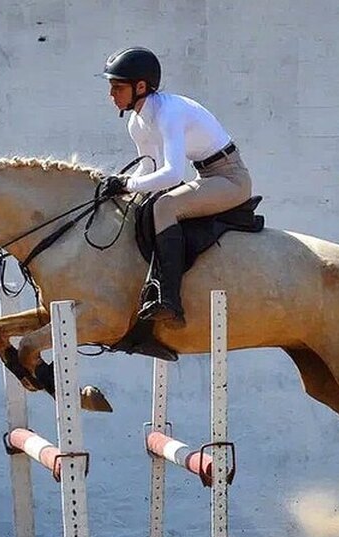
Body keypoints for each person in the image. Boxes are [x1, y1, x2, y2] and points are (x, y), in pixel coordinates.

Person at [98, 46, 252, 327]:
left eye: (118, 88)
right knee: (144, 205)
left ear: (140, 87)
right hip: (207, 176)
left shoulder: (168, 113)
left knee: (165, 206)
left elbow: (172, 175)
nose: (111, 95)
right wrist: (122, 188)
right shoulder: (137, 122)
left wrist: (128, 184)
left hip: (231, 179)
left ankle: (169, 299)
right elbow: (150, 169)